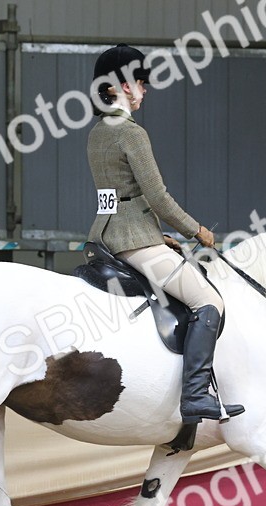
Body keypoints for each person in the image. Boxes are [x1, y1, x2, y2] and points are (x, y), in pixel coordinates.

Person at [85, 44, 244, 433]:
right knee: (209, 299)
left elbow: (119, 198)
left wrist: (161, 237)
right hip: (132, 239)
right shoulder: (132, 133)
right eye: (140, 82)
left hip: (105, 235)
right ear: (120, 86)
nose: (145, 89)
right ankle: (195, 395)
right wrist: (197, 231)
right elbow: (157, 197)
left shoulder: (97, 133)